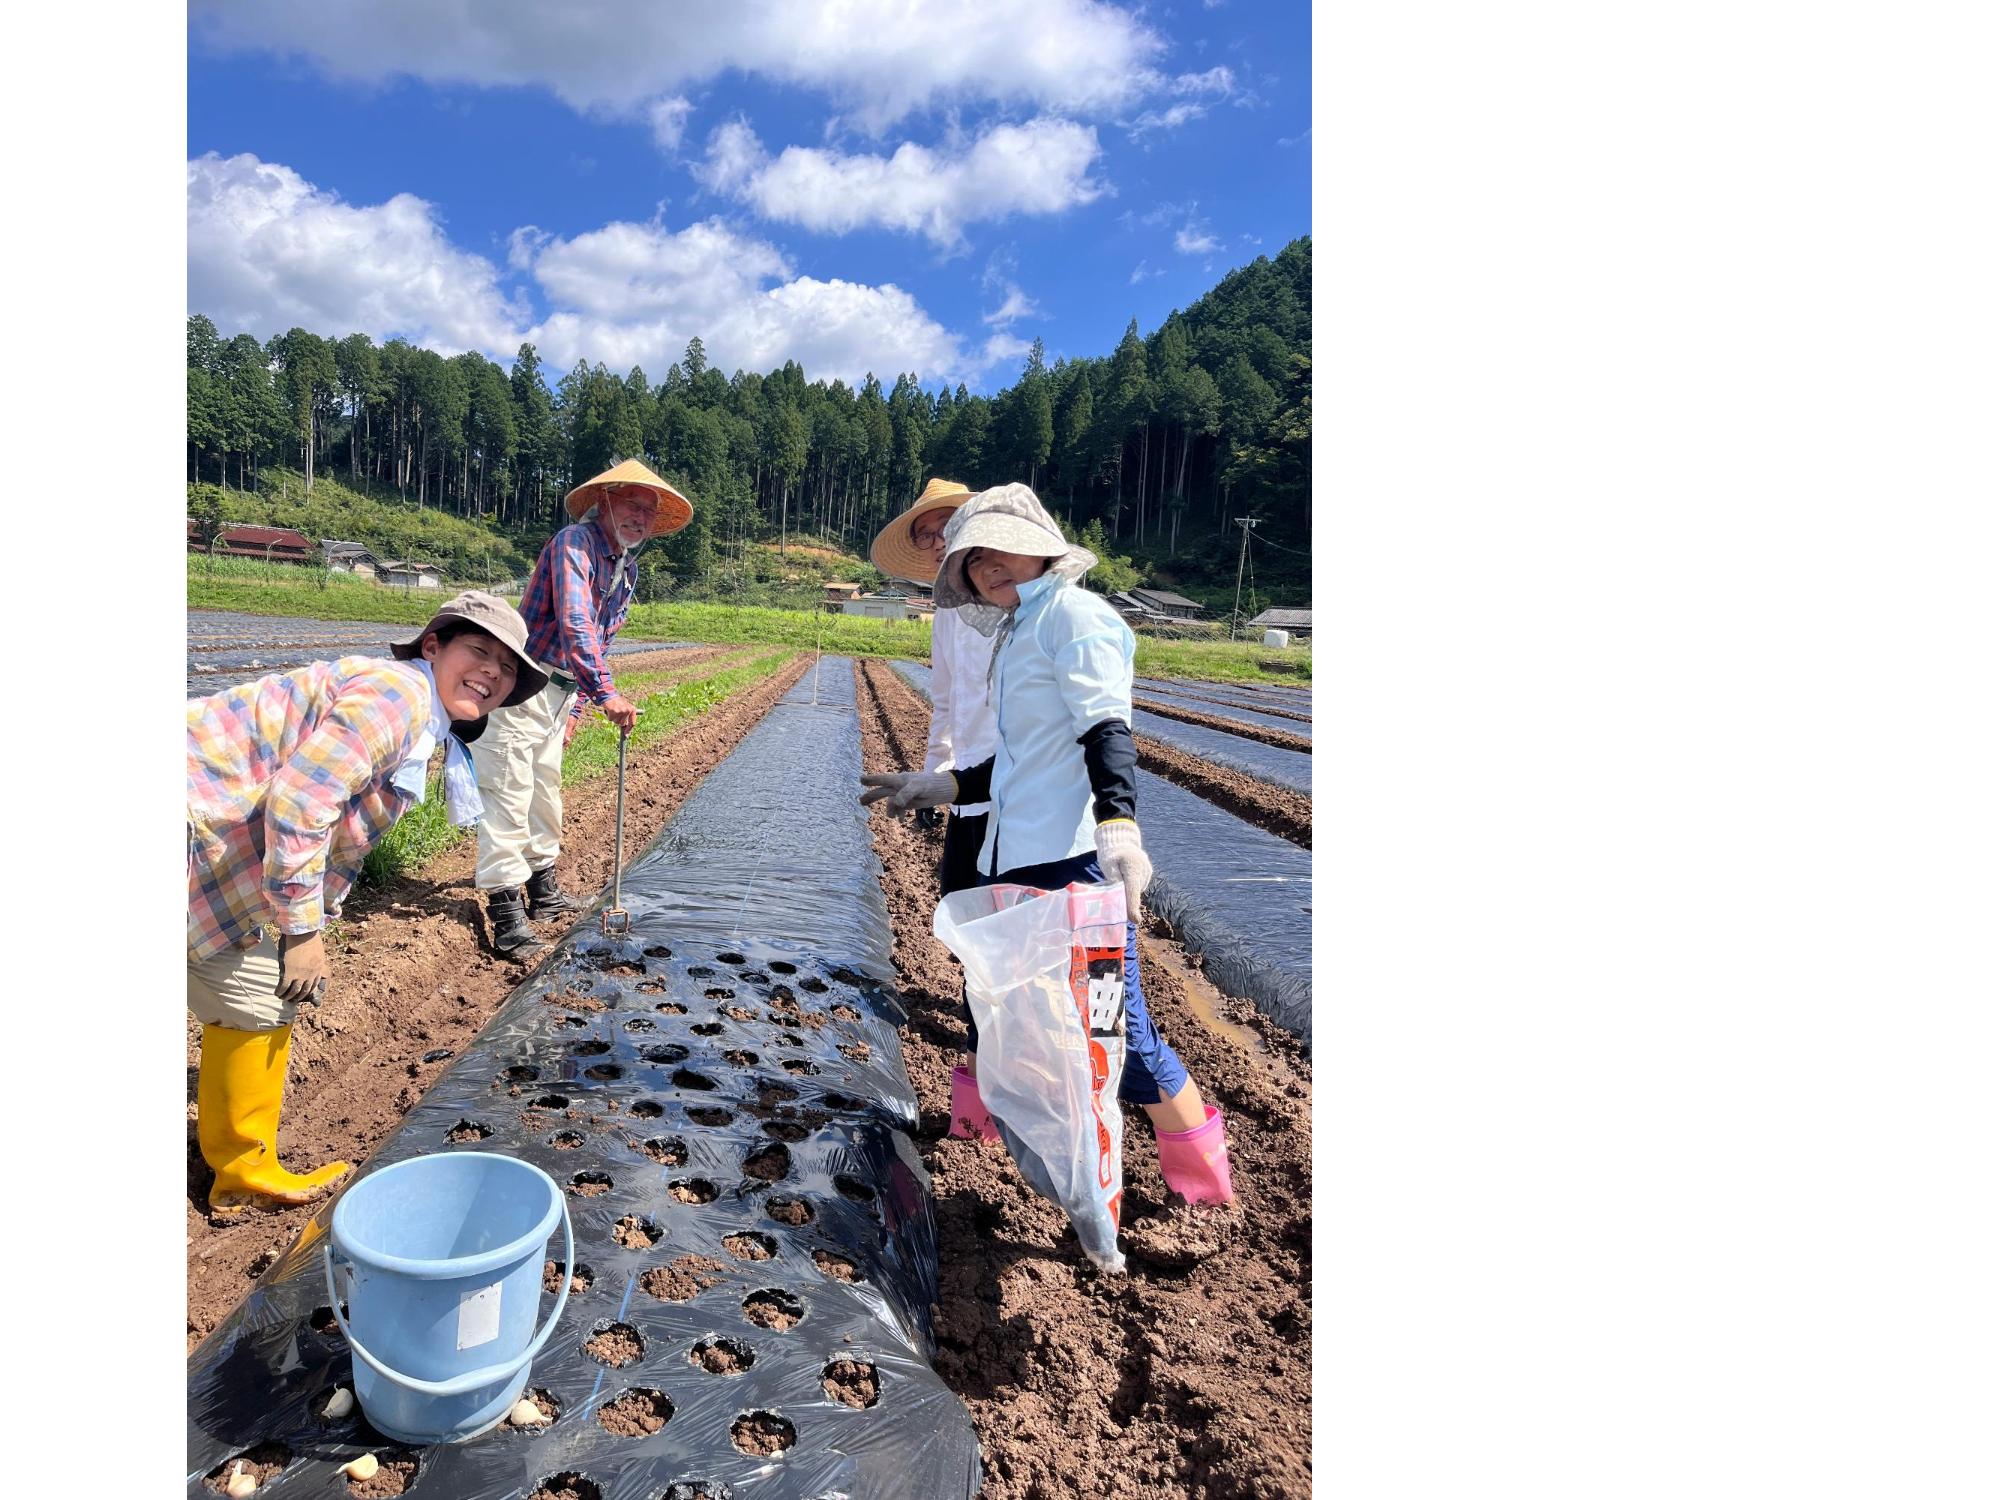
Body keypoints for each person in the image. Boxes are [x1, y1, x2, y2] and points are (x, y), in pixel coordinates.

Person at [860, 484, 1235, 1205]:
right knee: (1036, 1024)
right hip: (1020, 864)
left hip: (1077, 868)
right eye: (975, 561)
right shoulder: (1018, 633)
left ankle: (1205, 1197)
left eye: (1002, 550)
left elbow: (1105, 730)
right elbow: (1022, 759)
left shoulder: (1075, 617)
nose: (991, 569)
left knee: (1116, 1034)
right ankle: (1079, 1177)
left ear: (1042, 547)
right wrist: (946, 786)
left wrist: (1119, 825)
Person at [187, 591, 547, 1215]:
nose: (492, 672)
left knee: (253, 998)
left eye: (506, 667)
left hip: (213, 849)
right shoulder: (398, 697)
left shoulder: (419, 713)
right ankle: (243, 1170)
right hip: (191, 823)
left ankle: (242, 1171)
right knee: (261, 991)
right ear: (433, 647)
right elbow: (301, 803)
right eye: (478, 651)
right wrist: (302, 933)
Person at [470, 457, 693, 955]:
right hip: (518, 683)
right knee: (509, 791)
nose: (641, 517)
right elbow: (575, 622)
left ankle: (543, 892)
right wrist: (607, 694)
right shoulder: (574, 543)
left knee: (545, 792)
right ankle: (505, 916)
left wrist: (575, 709)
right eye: (633, 505)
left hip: (557, 695)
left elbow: (602, 637)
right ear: (605, 502)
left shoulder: (626, 566)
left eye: (649, 512)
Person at [870, 478, 1002, 1138]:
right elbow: (948, 703)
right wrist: (933, 779)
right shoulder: (947, 610)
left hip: (1029, 800)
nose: (936, 538)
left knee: (1008, 953)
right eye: (925, 534)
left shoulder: (1022, 602)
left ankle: (987, 1103)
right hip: (970, 796)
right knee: (967, 927)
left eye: (944, 524)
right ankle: (981, 1100)